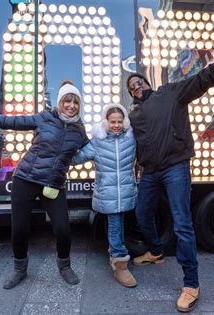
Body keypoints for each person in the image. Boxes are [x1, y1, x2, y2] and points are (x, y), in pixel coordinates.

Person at [126, 29, 214, 312]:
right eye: (131, 86)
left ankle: (191, 285)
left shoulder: (171, 93)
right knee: (142, 214)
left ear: (147, 83)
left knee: (182, 223)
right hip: (149, 172)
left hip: (175, 167)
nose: (135, 86)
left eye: (138, 81)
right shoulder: (133, 115)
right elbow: (132, 145)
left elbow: (204, 78)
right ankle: (156, 251)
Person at [0, 80, 88, 289]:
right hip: (25, 179)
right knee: (19, 228)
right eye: (67, 101)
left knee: (63, 229)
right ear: (60, 102)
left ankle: (65, 266)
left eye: (75, 102)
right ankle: (19, 269)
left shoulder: (79, 131)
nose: (71, 105)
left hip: (53, 185)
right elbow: (11, 122)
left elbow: (93, 150)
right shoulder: (45, 118)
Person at [71, 104, 137, 288]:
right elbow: (77, 158)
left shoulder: (131, 139)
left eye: (119, 121)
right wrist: (62, 150)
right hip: (107, 193)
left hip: (125, 191)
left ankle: (116, 253)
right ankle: (119, 264)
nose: (116, 125)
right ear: (106, 122)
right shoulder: (97, 142)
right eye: (112, 121)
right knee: (115, 224)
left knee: (120, 223)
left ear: (124, 122)